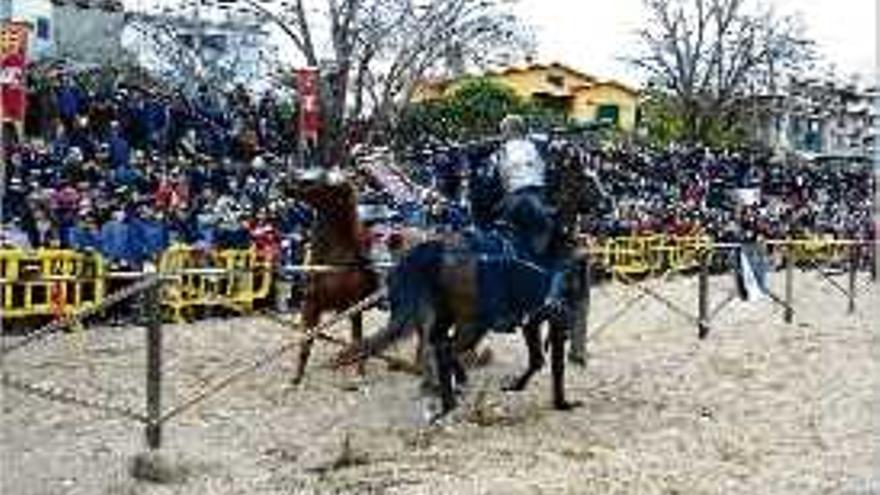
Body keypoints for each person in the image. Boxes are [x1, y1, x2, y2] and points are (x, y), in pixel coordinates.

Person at [491, 114, 567, 312]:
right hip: (533, 201)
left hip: (508, 205)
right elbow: (553, 150)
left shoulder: (499, 151)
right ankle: (553, 297)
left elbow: (497, 178)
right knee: (561, 249)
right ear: (523, 129)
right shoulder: (536, 143)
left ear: (504, 132)